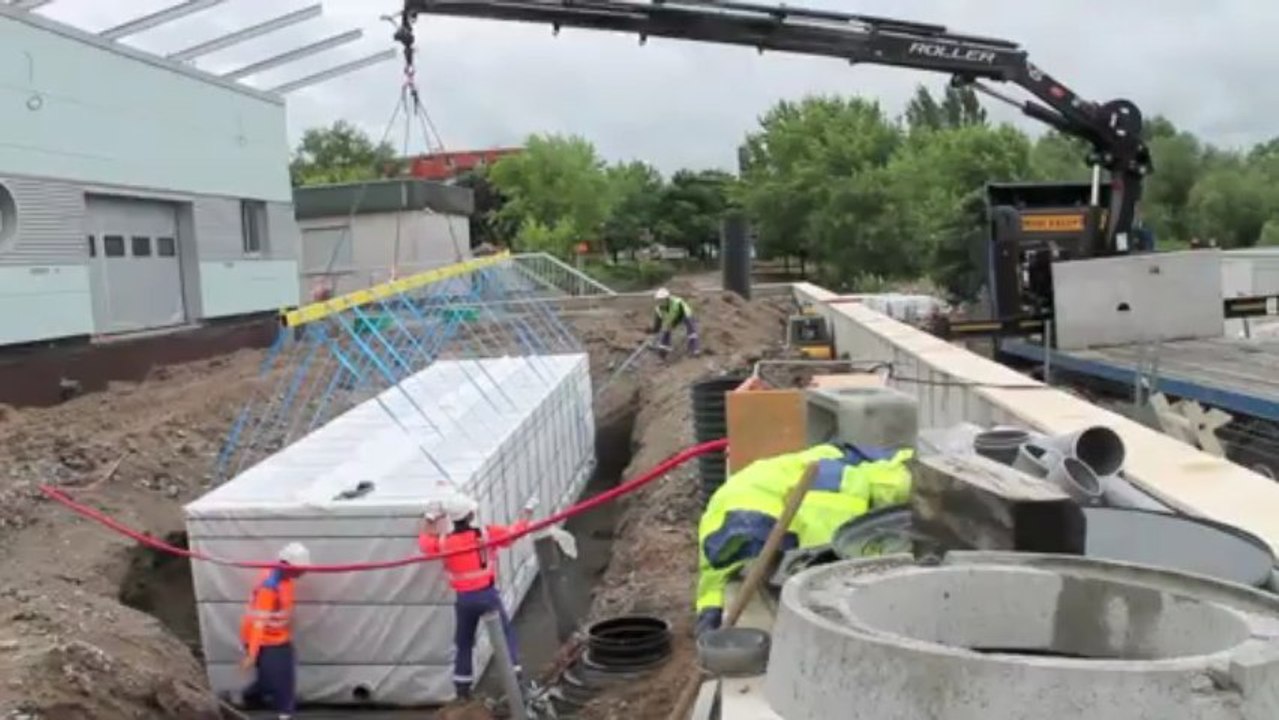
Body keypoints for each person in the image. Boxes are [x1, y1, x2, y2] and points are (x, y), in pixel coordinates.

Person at [694, 439, 913, 636]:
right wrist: (710, 614)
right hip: (806, 488)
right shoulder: (722, 532)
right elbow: (715, 575)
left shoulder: (848, 488)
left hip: (843, 473)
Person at [420, 495, 536, 701]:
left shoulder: (445, 542)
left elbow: (425, 543)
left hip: (464, 600)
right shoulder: (486, 534)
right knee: (505, 634)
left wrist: (429, 518)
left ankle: (462, 690)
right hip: (487, 595)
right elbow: (514, 533)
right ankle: (516, 680)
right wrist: (528, 511)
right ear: (471, 515)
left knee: (464, 643)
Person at [240, 542, 311, 720]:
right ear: (290, 567)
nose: (304, 572)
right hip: (261, 639)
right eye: (301, 569)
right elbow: (259, 623)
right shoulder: (269, 587)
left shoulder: (286, 579)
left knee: (285, 678)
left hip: (279, 637)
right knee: (272, 680)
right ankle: (254, 696)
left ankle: (285, 713)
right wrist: (252, 654)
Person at [651, 287, 700, 359]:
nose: (661, 302)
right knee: (665, 332)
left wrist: (671, 324)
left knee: (691, 329)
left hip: (684, 314)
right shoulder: (658, 309)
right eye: (659, 300)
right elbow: (658, 322)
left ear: (667, 298)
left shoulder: (677, 303)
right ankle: (662, 353)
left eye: (662, 299)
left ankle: (694, 349)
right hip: (672, 318)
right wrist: (655, 333)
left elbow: (680, 314)